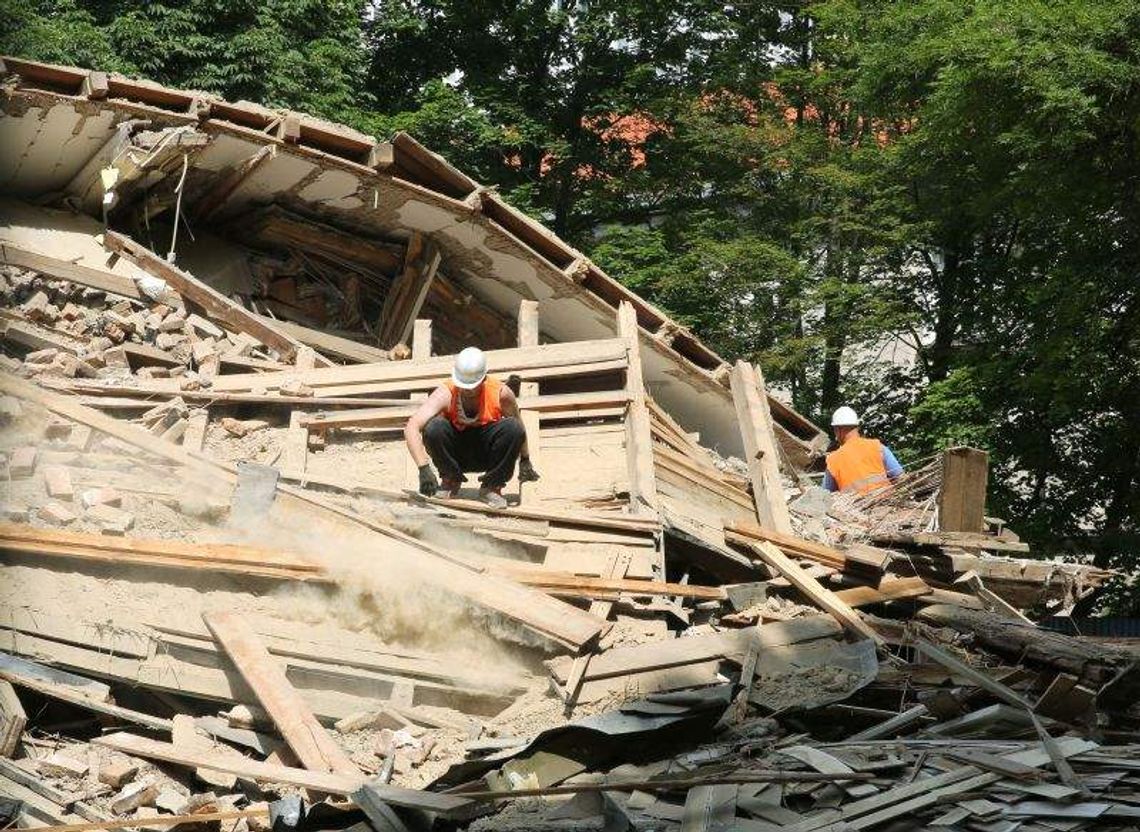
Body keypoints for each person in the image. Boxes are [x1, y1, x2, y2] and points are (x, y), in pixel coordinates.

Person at [404, 346, 540, 508]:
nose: (467, 390)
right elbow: (412, 426)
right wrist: (423, 468)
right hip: (456, 454)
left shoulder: (501, 393)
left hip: (488, 454)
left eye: (472, 386)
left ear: (483, 379)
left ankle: (492, 486)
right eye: (463, 385)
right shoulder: (446, 393)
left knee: (513, 428)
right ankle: (450, 480)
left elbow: (520, 426)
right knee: (434, 427)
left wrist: (525, 459)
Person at [822, 406, 903, 494]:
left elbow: (825, 495)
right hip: (887, 502)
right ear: (857, 427)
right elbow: (899, 476)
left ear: (838, 429)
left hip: (854, 507)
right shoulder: (877, 447)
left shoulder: (833, 460)